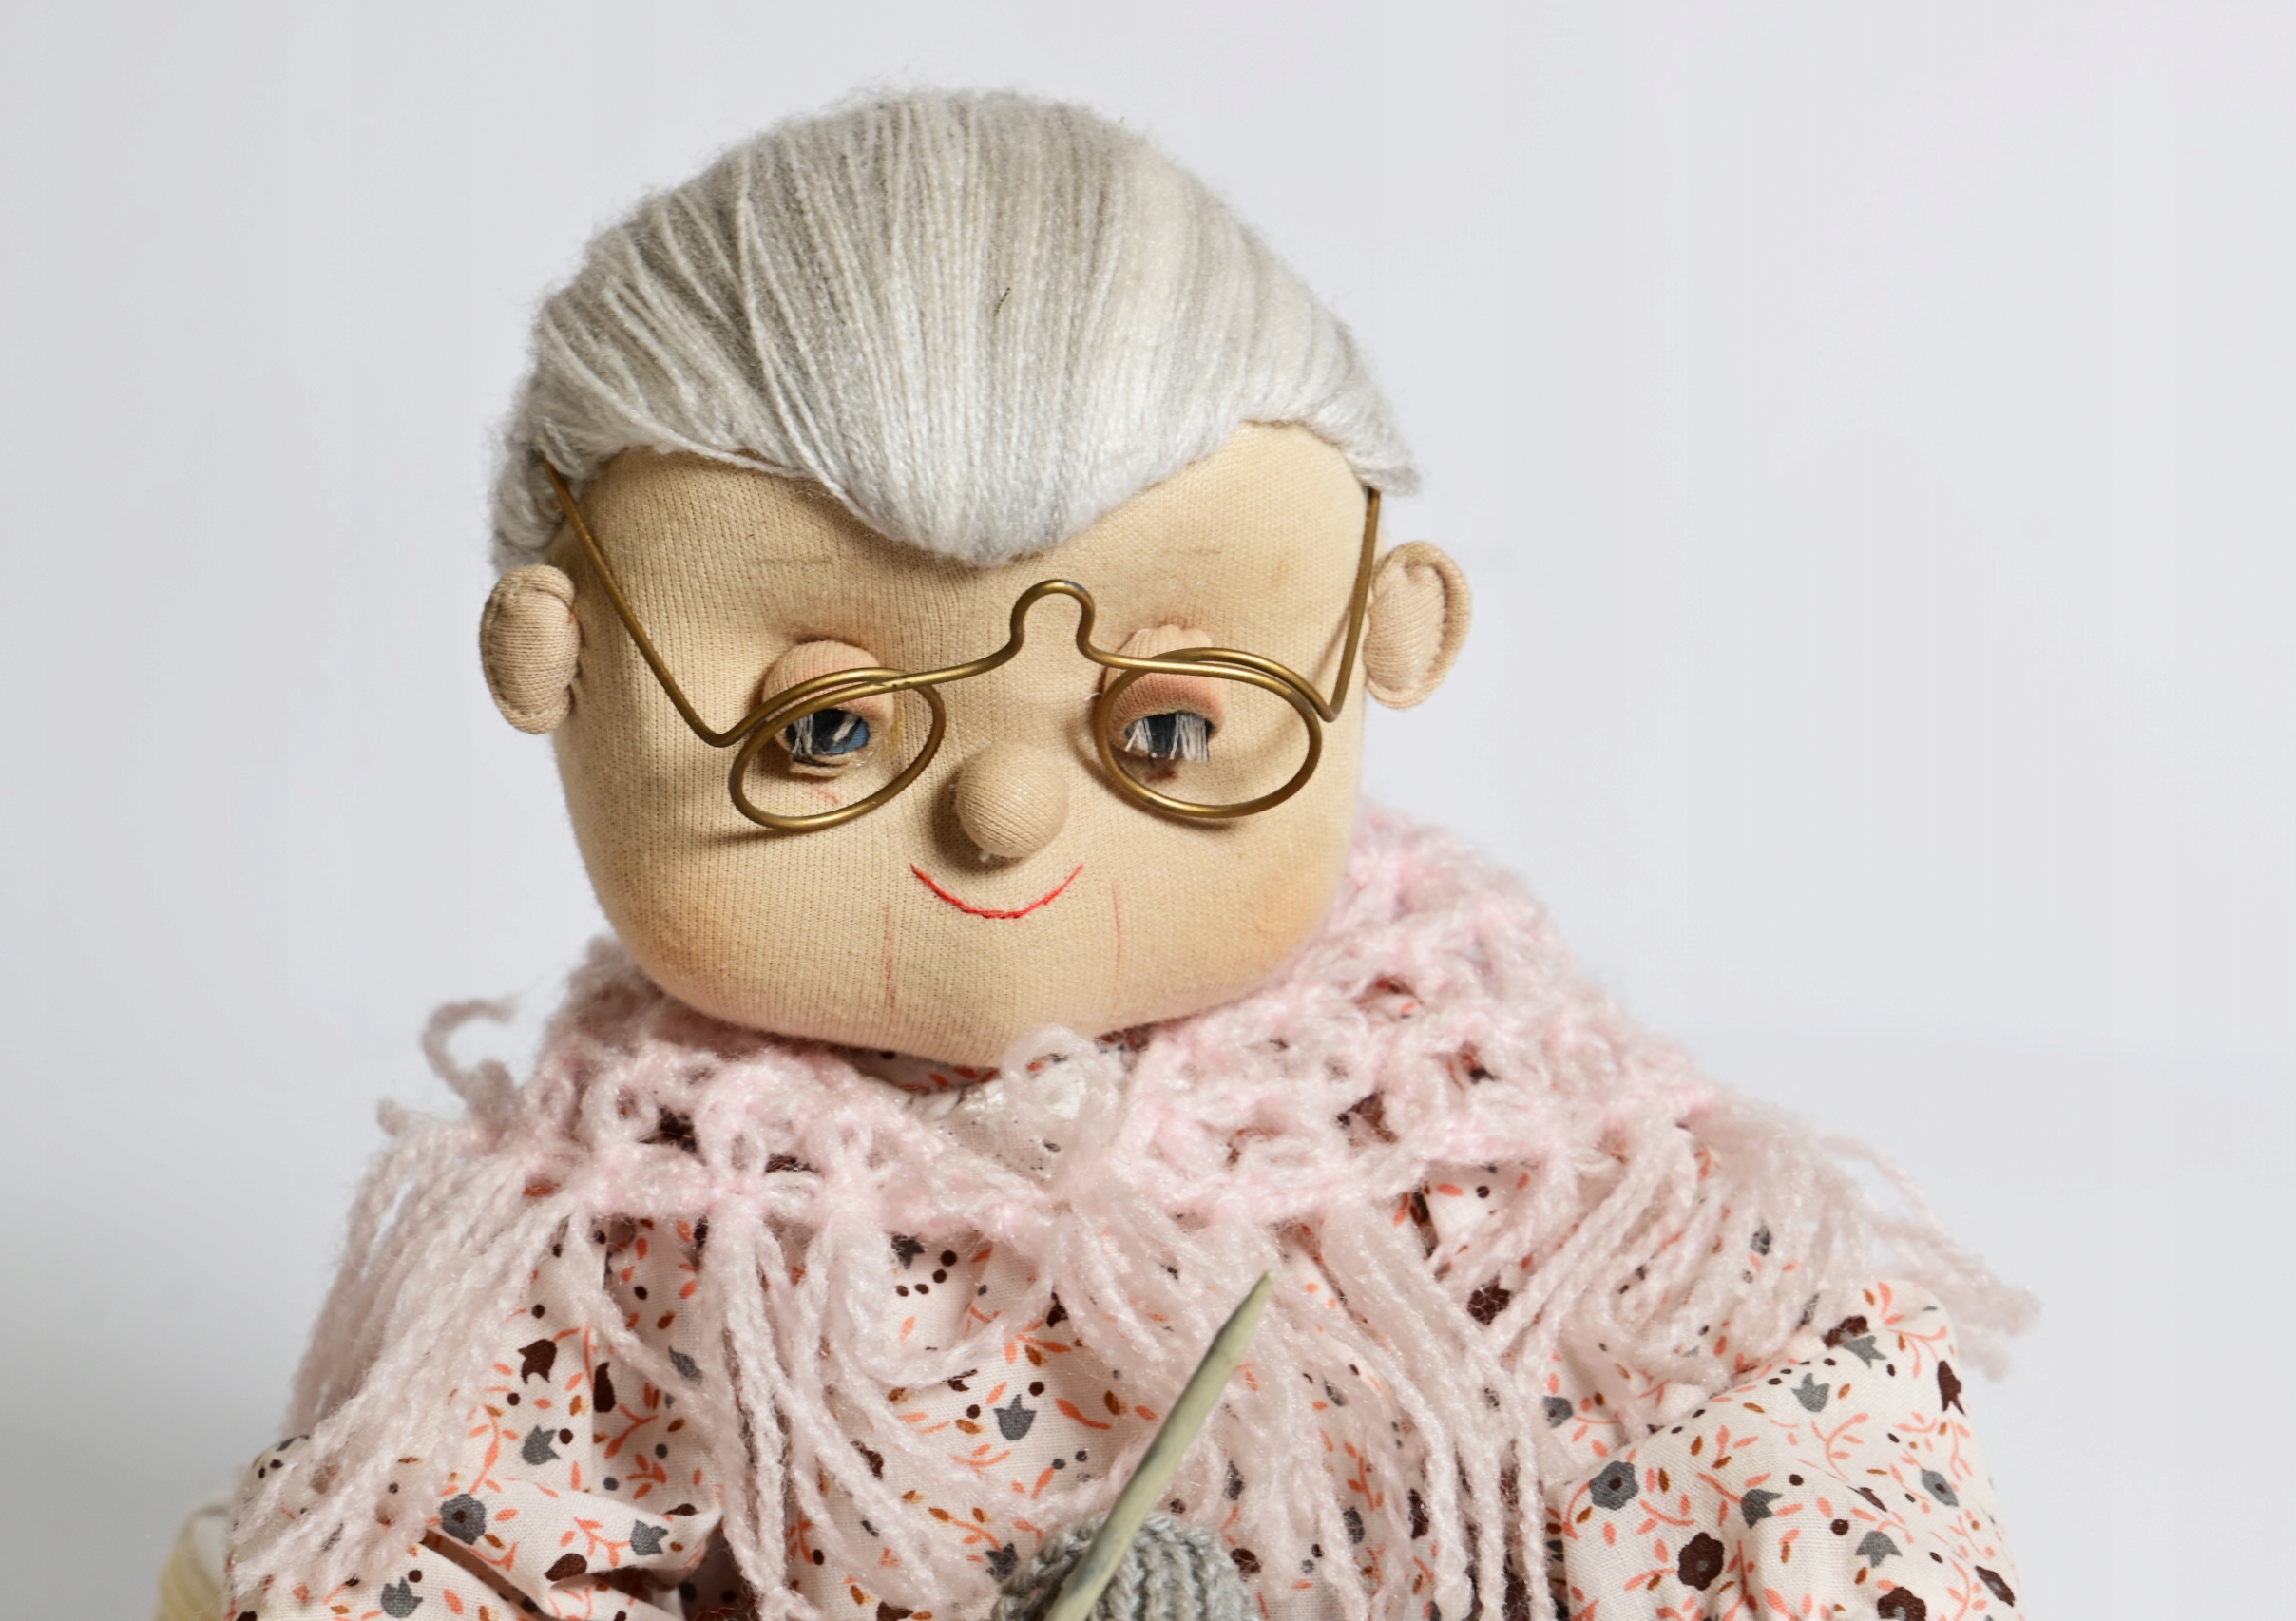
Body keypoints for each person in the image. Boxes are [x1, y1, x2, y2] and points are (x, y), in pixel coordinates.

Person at [178, 92, 2032, 1621]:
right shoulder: (632, 1225)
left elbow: (1755, 1412)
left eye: (1164, 727)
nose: (1001, 820)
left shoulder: (1468, 1108)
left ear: (1390, 632)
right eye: (826, 727)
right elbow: (454, 1546)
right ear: (552, 665)